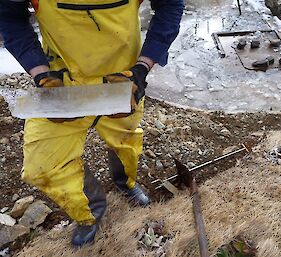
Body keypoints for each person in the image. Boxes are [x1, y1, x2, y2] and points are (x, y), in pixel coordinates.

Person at [0, 0, 184, 247]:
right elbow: (9, 16)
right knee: (42, 167)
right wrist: (40, 73)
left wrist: (142, 68)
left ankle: (125, 184)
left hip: (121, 83)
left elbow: (171, 5)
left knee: (124, 142)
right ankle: (92, 209)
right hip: (62, 85)